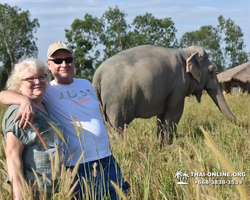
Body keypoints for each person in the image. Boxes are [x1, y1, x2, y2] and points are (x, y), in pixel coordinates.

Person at [0, 41, 128, 199]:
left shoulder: (85, 84)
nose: (64, 64)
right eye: (58, 61)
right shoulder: (48, 90)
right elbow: (3, 95)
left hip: (107, 160)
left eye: (68, 59)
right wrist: (23, 101)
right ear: (49, 64)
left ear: (74, 61)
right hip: (77, 167)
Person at [1, 58, 64, 200]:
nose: (37, 82)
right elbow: (12, 157)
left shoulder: (43, 103)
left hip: (54, 191)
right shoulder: (18, 112)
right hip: (34, 193)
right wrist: (19, 197)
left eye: (41, 76)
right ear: (18, 85)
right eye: (30, 79)